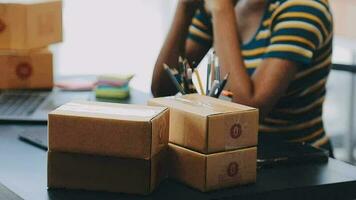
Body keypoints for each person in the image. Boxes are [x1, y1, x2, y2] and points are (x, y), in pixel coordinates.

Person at [151, 0, 334, 155]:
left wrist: (222, 11)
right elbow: (163, 88)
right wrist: (185, 7)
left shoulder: (304, 7)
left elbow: (246, 114)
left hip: (297, 162)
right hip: (237, 151)